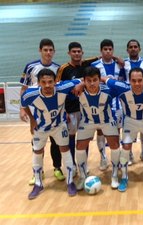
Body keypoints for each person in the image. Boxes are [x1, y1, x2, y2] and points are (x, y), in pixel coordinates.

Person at [102, 68, 143, 192]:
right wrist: (82, 83)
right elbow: (104, 79)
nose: (137, 84)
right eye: (133, 81)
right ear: (129, 81)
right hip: (130, 121)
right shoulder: (121, 87)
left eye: (140, 80)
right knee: (126, 147)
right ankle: (124, 177)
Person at [21, 68, 80, 200]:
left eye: (50, 82)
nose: (47, 85)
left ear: (55, 81)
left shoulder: (63, 87)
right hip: (40, 127)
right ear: (39, 83)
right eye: (44, 82)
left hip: (59, 126)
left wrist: (80, 86)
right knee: (37, 151)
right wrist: (31, 120)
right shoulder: (30, 94)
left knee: (65, 149)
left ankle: (70, 182)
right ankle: (38, 184)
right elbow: (24, 105)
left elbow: (81, 80)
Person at [19, 38, 64, 185]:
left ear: (54, 51)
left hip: (54, 111)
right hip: (36, 112)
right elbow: (24, 89)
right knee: (37, 142)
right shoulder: (30, 67)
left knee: (55, 141)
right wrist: (22, 108)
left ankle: (57, 168)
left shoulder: (58, 68)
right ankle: (38, 172)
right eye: (45, 50)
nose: (48, 53)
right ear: (40, 50)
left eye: (51, 50)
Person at [74, 66, 121, 190]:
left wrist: (105, 79)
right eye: (88, 80)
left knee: (115, 145)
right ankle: (83, 176)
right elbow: (60, 86)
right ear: (84, 80)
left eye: (95, 80)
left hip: (107, 121)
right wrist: (79, 83)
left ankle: (115, 175)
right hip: (88, 121)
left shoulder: (109, 90)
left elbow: (123, 86)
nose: (92, 83)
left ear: (99, 79)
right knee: (79, 147)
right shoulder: (78, 90)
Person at [56, 41, 99, 174]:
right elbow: (58, 90)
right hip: (70, 110)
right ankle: (72, 165)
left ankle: (83, 165)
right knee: (71, 139)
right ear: (69, 53)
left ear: (82, 52)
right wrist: (63, 111)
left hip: (85, 110)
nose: (76, 54)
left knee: (84, 139)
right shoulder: (63, 69)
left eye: (79, 51)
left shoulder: (86, 65)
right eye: (74, 51)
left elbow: (101, 57)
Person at [91, 39, 125, 170]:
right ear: (101, 51)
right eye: (105, 49)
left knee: (116, 131)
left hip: (117, 104)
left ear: (113, 50)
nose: (108, 51)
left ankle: (117, 158)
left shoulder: (119, 65)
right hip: (101, 104)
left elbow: (122, 82)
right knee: (101, 131)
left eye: (110, 49)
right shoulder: (94, 65)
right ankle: (103, 157)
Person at [122, 39, 143, 166]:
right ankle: (129, 154)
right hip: (128, 99)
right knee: (129, 128)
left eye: (135, 46)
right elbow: (121, 79)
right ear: (127, 49)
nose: (133, 49)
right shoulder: (123, 63)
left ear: (139, 49)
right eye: (131, 47)